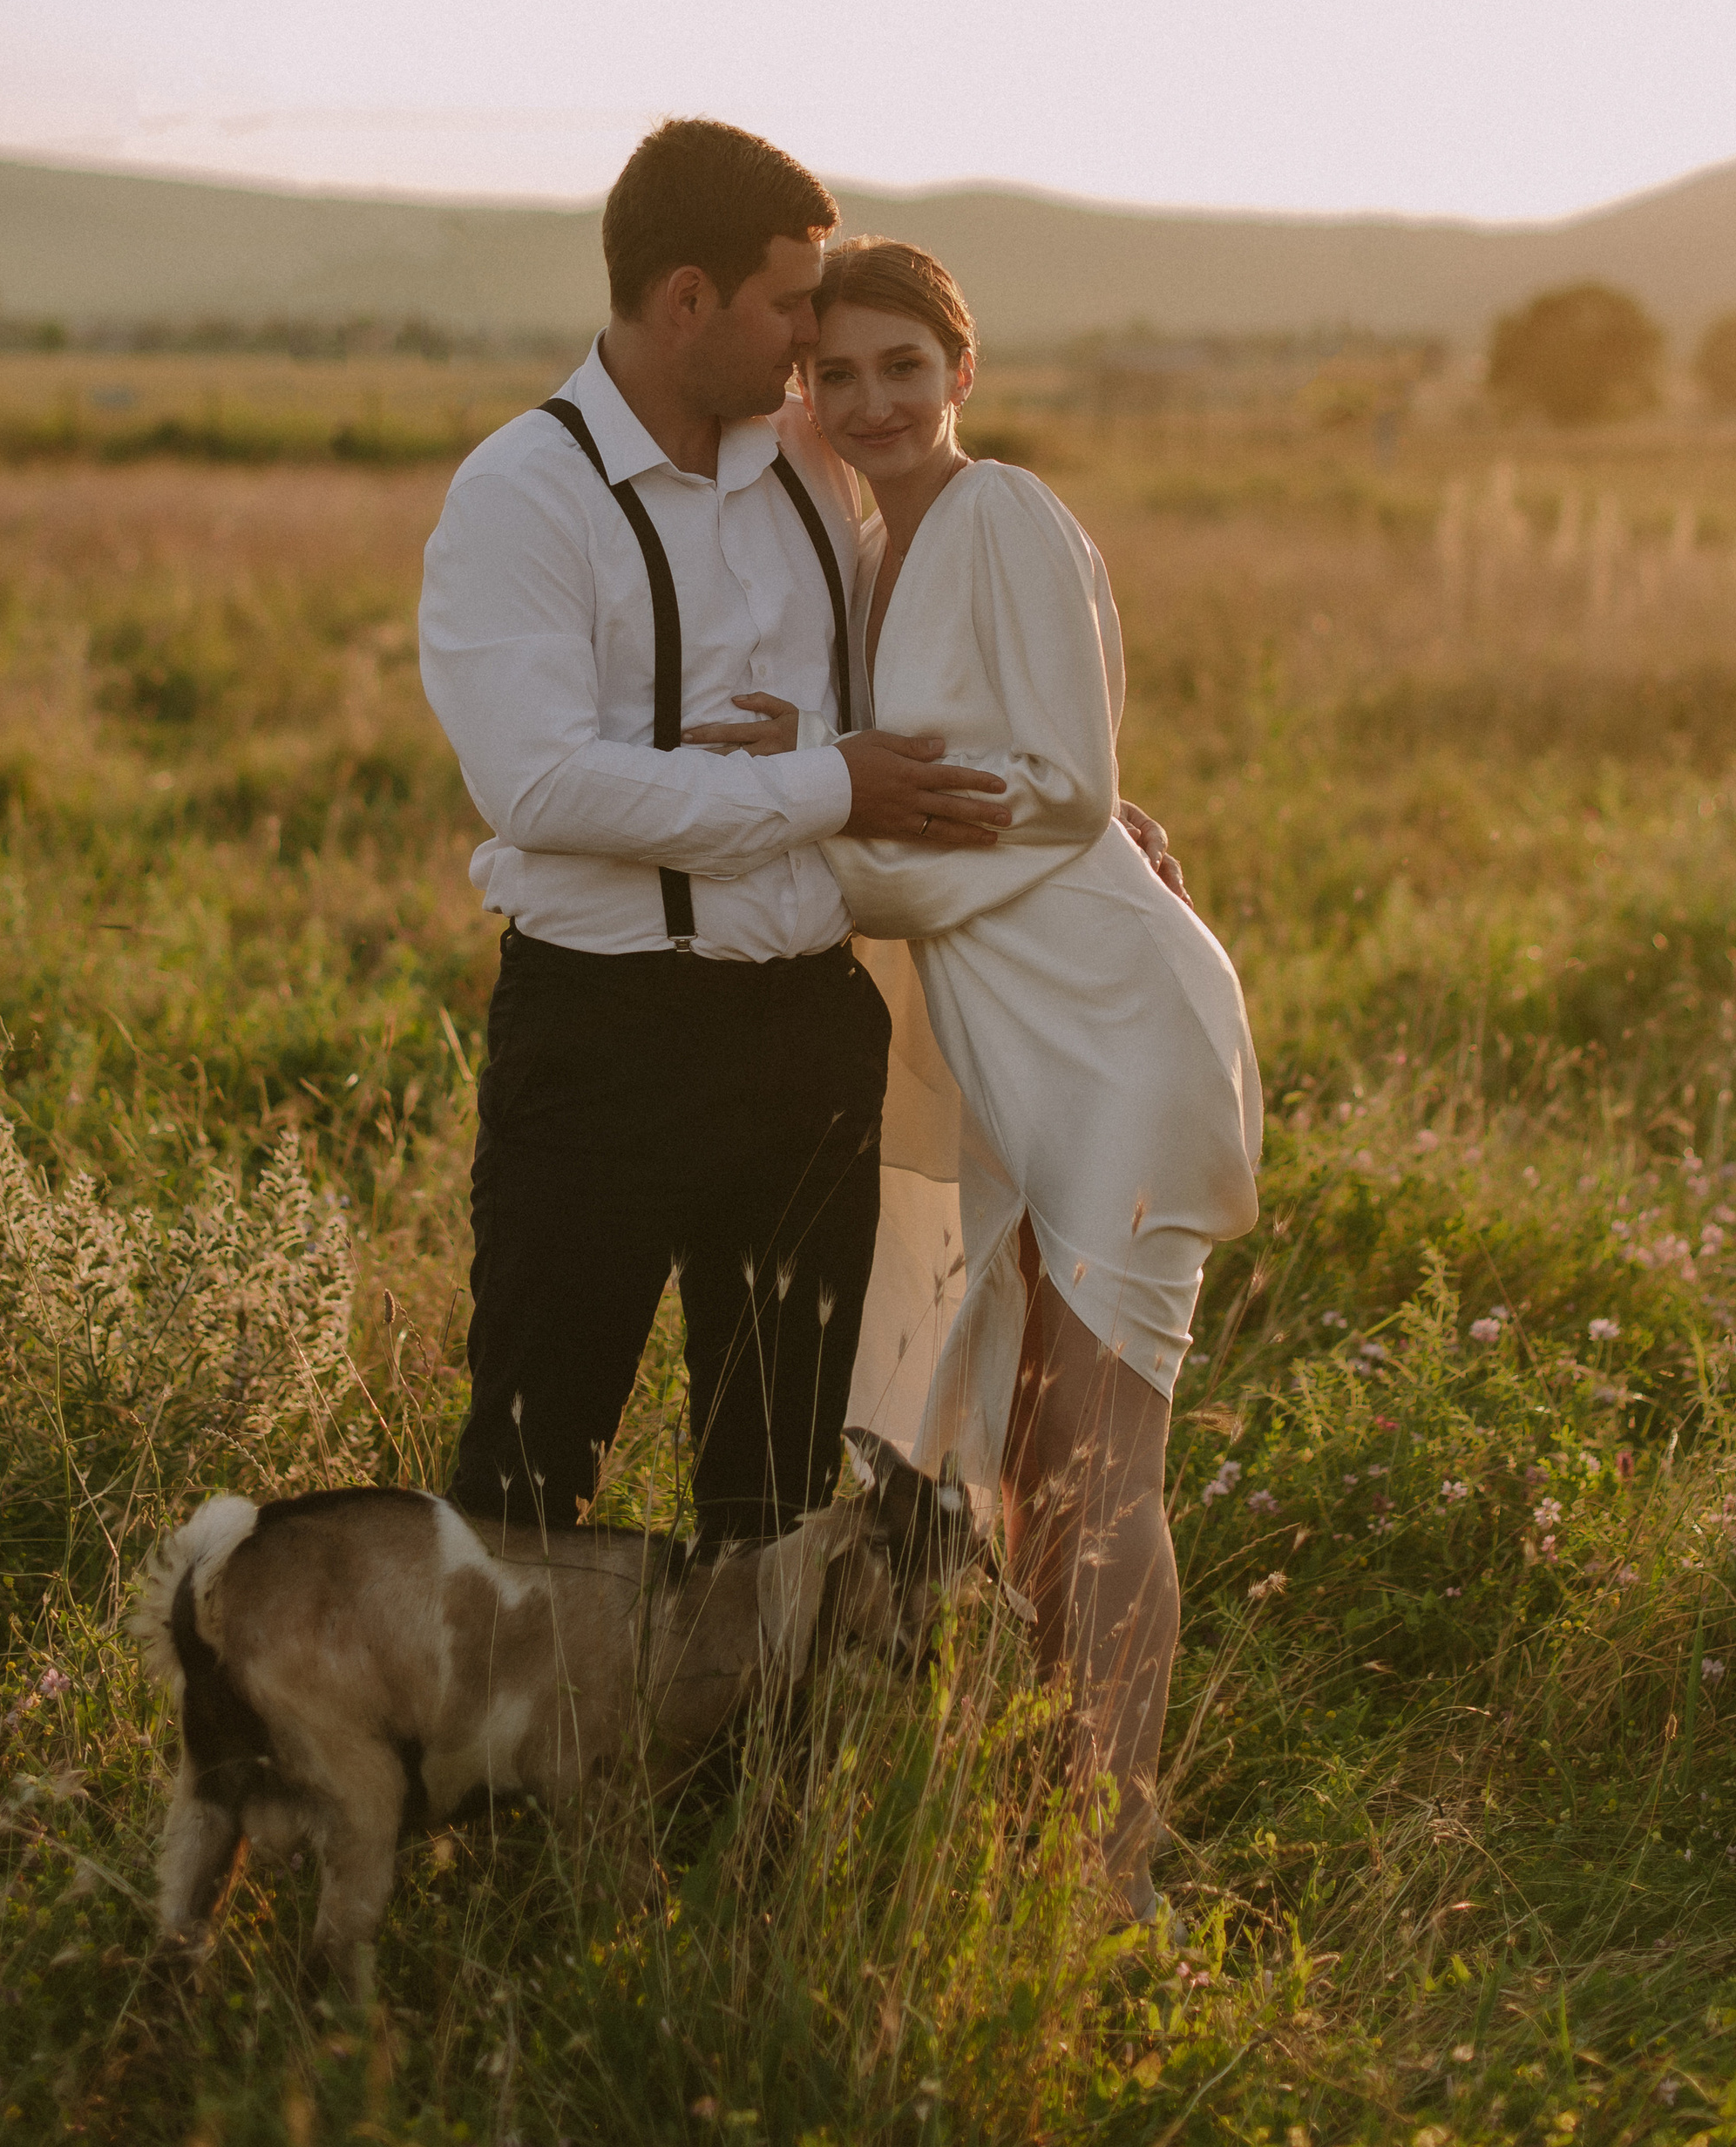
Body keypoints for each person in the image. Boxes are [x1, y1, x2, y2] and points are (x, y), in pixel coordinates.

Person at [688, 236, 1261, 1913]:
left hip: (1108, 1026)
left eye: (902, 369)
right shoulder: (869, 545)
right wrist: (799, 771)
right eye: (836, 373)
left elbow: (1067, 789)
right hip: (1004, 1033)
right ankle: (1044, 1817)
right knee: (1023, 1452)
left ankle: (1113, 1867)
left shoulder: (1000, 508)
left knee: (1103, 1462)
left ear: (962, 373)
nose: (869, 402)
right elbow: (912, 768)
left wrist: (804, 856)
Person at [417, 120, 1019, 1549]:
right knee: (531, 1463)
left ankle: (745, 1777)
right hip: (604, 1042)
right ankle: (509, 1775)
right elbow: (543, 788)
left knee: (780, 1480)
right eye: (791, 302)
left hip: (810, 1035)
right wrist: (828, 790)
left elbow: (911, 685)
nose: (816, 334)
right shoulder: (522, 493)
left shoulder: (812, 456)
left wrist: (1085, 818)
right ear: (688, 299)